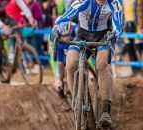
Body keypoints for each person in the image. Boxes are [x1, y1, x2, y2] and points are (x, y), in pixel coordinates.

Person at [50, 0, 123, 128]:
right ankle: (76, 102)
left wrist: (114, 34)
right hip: (82, 35)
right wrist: (56, 29)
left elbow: (118, 23)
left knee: (101, 65)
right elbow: (66, 17)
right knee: (71, 63)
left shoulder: (114, 3)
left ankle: (106, 110)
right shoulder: (83, 1)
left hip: (104, 36)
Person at [0, 0, 36, 81]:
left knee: (17, 29)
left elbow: (22, 4)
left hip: (3, 17)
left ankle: (15, 61)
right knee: (0, 45)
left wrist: (30, 17)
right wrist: (3, 26)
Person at [52, 19, 77, 96]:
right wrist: (58, 78)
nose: (66, 38)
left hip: (74, 45)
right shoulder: (55, 36)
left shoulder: (76, 30)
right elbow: (58, 61)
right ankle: (60, 82)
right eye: (64, 36)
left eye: (67, 35)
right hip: (60, 47)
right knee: (61, 63)